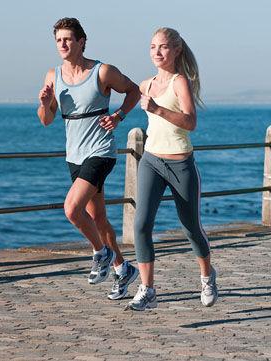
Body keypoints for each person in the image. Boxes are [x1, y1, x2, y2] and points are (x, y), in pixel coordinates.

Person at [37, 18, 141, 300]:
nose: (63, 44)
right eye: (58, 40)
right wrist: (46, 103)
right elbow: (46, 120)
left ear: (82, 41)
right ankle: (122, 269)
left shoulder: (102, 71)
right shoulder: (53, 76)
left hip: (101, 151)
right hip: (75, 155)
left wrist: (119, 116)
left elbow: (135, 90)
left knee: (72, 209)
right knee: (98, 219)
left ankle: (100, 253)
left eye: (68, 39)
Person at [127, 27, 218, 311]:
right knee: (140, 225)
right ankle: (148, 289)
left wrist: (158, 110)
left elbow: (191, 122)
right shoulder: (146, 84)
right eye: (153, 46)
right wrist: (115, 116)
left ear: (176, 50)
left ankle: (207, 276)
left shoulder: (181, 83)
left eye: (163, 47)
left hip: (180, 163)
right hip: (152, 161)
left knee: (191, 227)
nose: (157, 52)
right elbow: (128, 95)